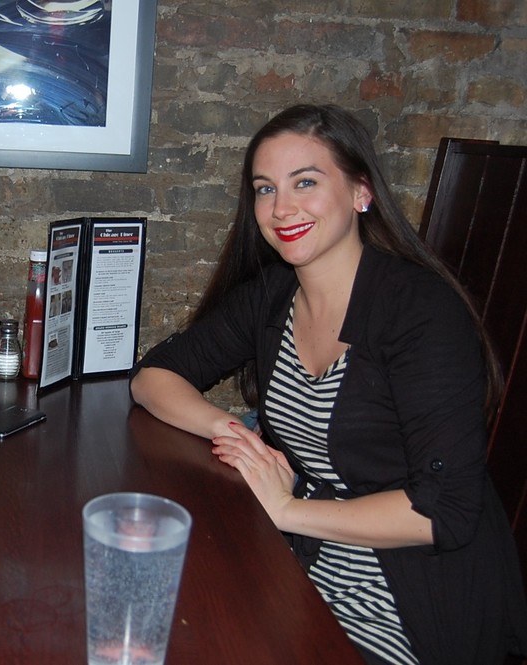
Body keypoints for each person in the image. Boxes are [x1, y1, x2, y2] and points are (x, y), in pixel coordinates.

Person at [130, 104, 527, 664]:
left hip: (410, 597)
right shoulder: (274, 294)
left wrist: (285, 508)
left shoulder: (420, 313)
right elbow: (154, 376)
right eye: (265, 189)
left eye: (306, 182)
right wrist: (237, 437)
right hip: (303, 558)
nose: (281, 207)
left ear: (361, 192)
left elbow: (445, 511)